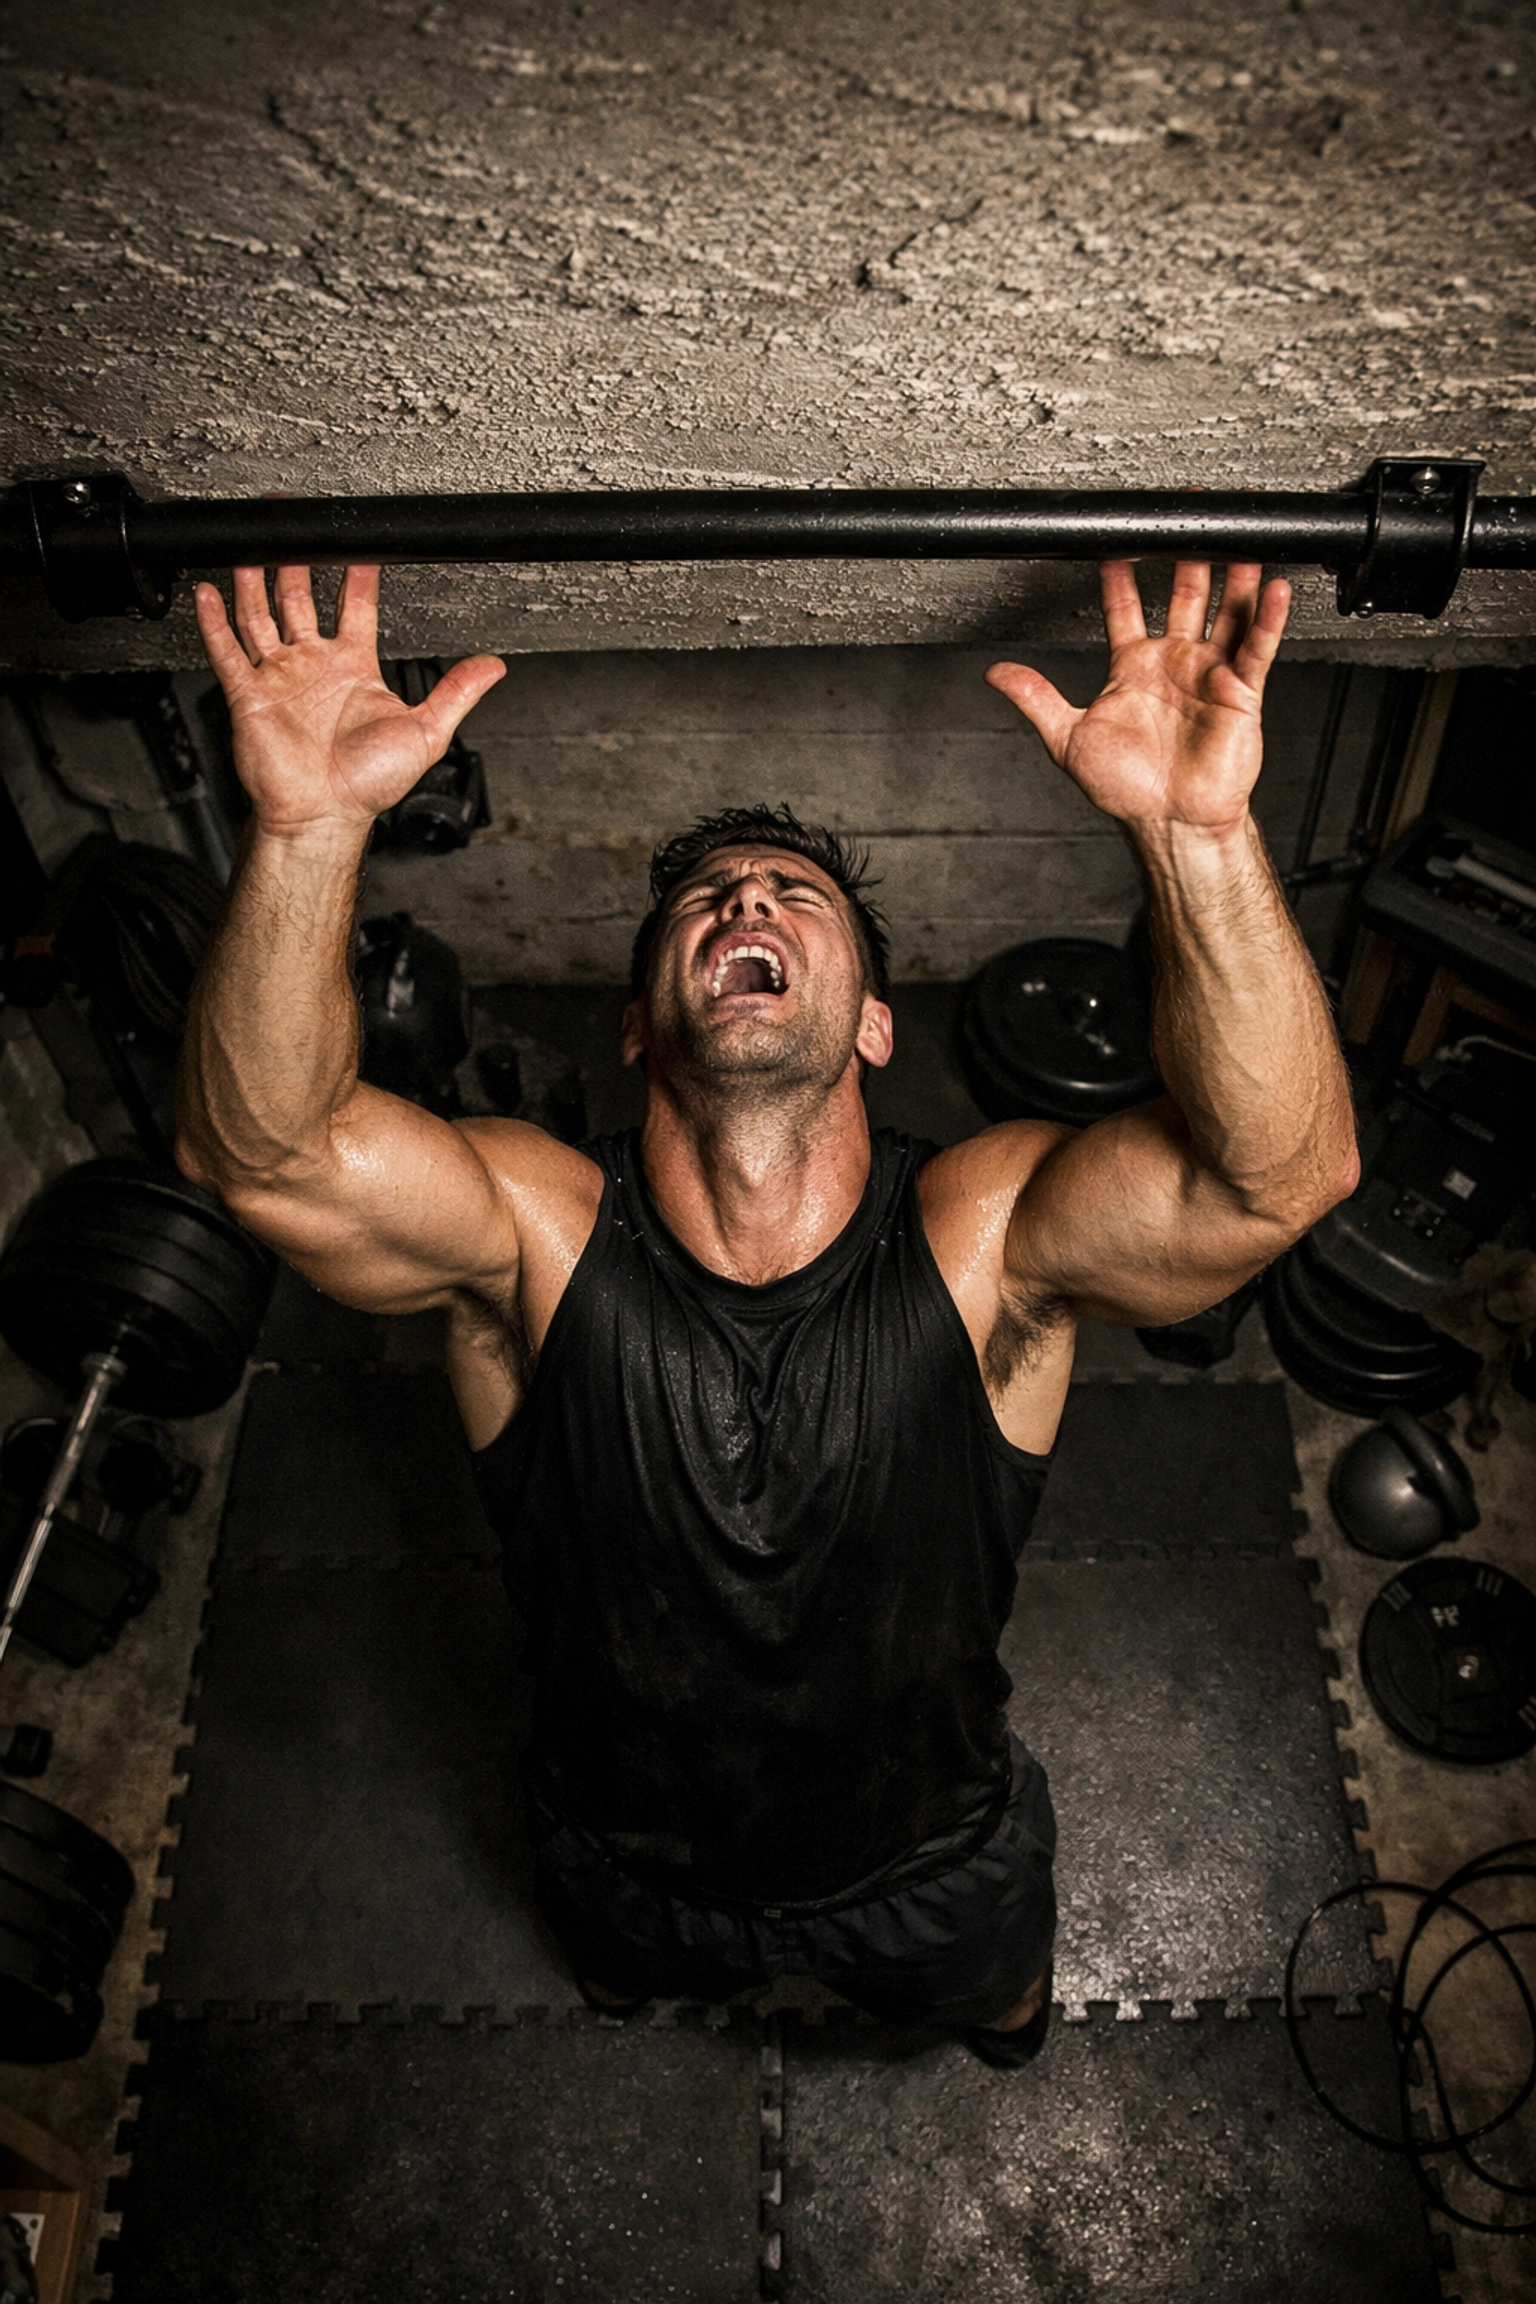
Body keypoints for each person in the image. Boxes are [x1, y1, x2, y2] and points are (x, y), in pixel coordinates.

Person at [177, 556, 1358, 2066]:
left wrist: (1197, 839)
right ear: (636, 1023)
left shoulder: (983, 1238)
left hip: (931, 1859)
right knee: (614, 1989)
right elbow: (261, 1152)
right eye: (708, 898)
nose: (746, 897)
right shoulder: (535, 1235)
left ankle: (982, 2009)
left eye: (796, 896)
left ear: (871, 1022)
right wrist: (306, 831)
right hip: (626, 1857)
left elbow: (1278, 1176)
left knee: (1005, 2016)